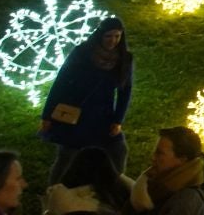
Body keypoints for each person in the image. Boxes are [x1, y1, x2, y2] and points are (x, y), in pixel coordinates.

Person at [40, 17, 135, 180]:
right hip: (76, 114)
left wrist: (118, 120)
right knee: (68, 156)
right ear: (100, 35)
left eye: (117, 36)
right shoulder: (82, 53)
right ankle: (54, 193)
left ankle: (113, 186)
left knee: (118, 150)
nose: (113, 41)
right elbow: (61, 82)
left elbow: (125, 91)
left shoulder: (124, 59)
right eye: (108, 36)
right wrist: (47, 115)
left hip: (103, 115)